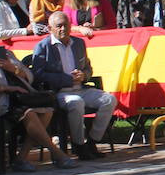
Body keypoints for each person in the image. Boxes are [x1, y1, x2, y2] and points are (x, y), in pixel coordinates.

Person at [0, 19, 76, 170]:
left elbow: (29, 75)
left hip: (23, 97)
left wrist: (13, 69)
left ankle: (21, 158)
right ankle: (57, 154)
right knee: (29, 114)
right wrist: (7, 88)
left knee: (46, 112)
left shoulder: (5, 53)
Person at [30, 11, 116, 160]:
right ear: (50, 29)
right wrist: (66, 79)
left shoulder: (78, 43)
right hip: (59, 92)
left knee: (109, 100)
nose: (63, 29)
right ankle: (78, 144)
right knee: (76, 103)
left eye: (66, 25)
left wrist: (84, 75)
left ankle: (92, 141)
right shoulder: (43, 47)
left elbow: (88, 68)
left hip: (80, 88)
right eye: (59, 26)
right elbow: (38, 74)